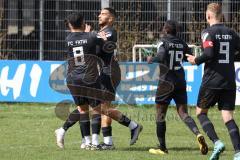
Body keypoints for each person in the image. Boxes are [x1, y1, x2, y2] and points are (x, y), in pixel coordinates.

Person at [55, 12, 143, 150]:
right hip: (90, 76)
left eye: (103, 14)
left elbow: (95, 48)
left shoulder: (69, 38)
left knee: (89, 109)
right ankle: (105, 137)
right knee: (98, 109)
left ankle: (92, 140)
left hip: (84, 76)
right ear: (83, 22)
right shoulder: (92, 36)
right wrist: (97, 37)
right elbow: (105, 47)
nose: (99, 16)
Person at [186, 3, 240, 160]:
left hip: (211, 81)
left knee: (201, 112)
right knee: (228, 116)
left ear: (208, 16)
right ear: (221, 15)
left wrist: (196, 60)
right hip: (229, 80)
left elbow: (208, 54)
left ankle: (217, 142)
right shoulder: (231, 32)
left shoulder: (208, 32)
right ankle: (238, 152)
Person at [147, 20, 208, 155]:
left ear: (167, 30)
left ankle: (162, 148)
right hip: (180, 80)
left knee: (160, 114)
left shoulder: (163, 42)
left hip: (166, 81)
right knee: (183, 113)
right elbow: (188, 57)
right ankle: (197, 134)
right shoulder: (182, 43)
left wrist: (152, 59)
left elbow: (161, 55)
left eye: (163, 28)